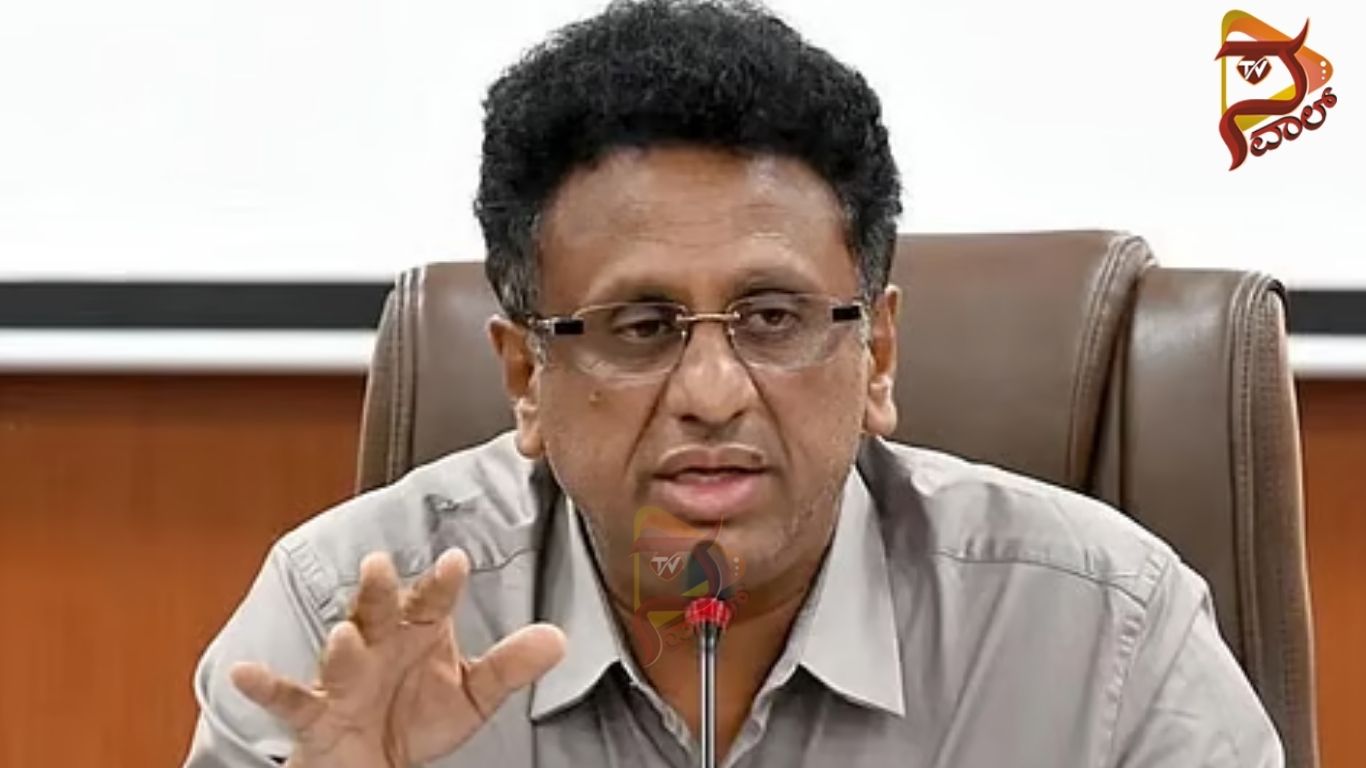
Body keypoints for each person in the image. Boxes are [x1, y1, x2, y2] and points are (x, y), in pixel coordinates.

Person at [182, 1, 1284, 766]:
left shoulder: (1103, 633)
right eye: (639, 326)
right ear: (526, 376)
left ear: (878, 356)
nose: (712, 391)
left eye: (772, 319)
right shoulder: (343, 626)